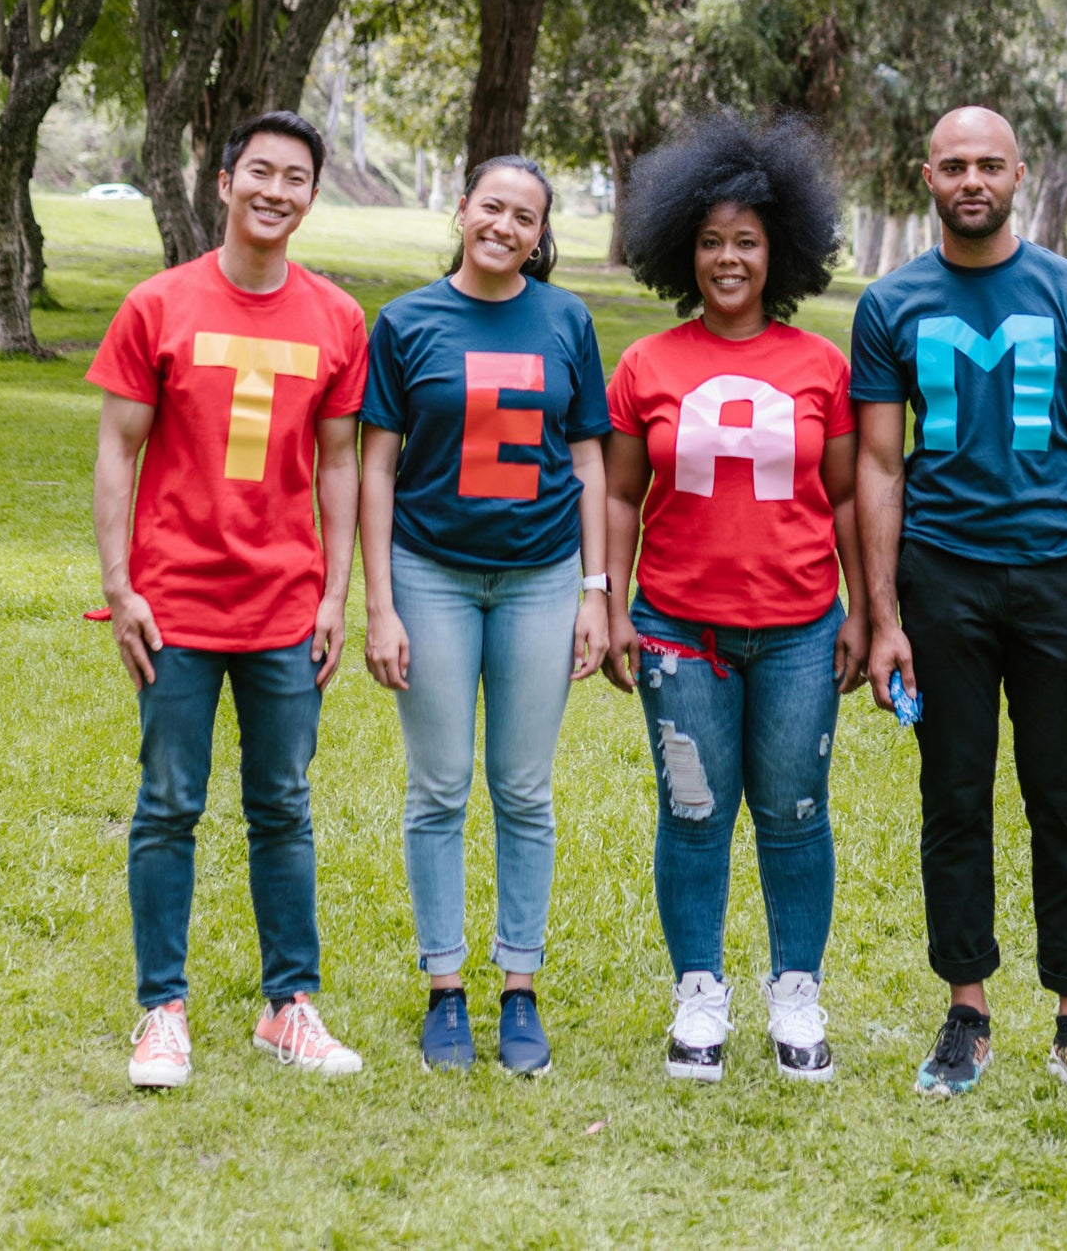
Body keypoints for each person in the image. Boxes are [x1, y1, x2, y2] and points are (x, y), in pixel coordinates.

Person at [852, 106, 1067, 1108]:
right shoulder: (890, 304)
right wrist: (882, 616)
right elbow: (879, 464)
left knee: (1060, 798)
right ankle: (965, 1010)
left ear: (1019, 173)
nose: (970, 178)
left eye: (989, 163)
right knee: (954, 795)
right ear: (922, 175)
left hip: (1056, 579)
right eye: (952, 164)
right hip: (942, 580)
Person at [89, 111, 366, 1089]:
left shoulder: (337, 318)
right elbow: (118, 447)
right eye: (259, 171)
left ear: (311, 197)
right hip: (173, 602)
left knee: (282, 805)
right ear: (222, 182)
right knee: (167, 805)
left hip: (286, 604)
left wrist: (337, 593)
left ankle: (287, 1006)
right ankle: (160, 1011)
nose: (275, 190)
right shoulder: (158, 306)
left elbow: (339, 462)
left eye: (295, 177)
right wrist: (119, 586)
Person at [602, 112, 868, 1083]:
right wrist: (605, 601)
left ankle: (794, 992)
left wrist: (870, 614)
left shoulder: (820, 366)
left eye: (745, 241)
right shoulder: (646, 364)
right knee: (693, 811)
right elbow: (622, 493)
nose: (727, 258)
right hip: (677, 626)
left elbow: (843, 496)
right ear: (681, 247)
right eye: (709, 240)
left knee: (794, 812)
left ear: (778, 250)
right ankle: (699, 994)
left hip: (800, 627)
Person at [360, 155, 610, 1076]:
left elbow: (588, 461)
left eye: (526, 217)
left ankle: (520, 988)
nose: (505, 226)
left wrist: (594, 590)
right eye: (491, 207)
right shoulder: (406, 321)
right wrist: (379, 604)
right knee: (439, 786)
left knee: (522, 788)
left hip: (541, 577)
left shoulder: (567, 320)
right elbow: (377, 466)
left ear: (543, 234)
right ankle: (444, 991)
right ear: (462, 209)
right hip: (429, 574)